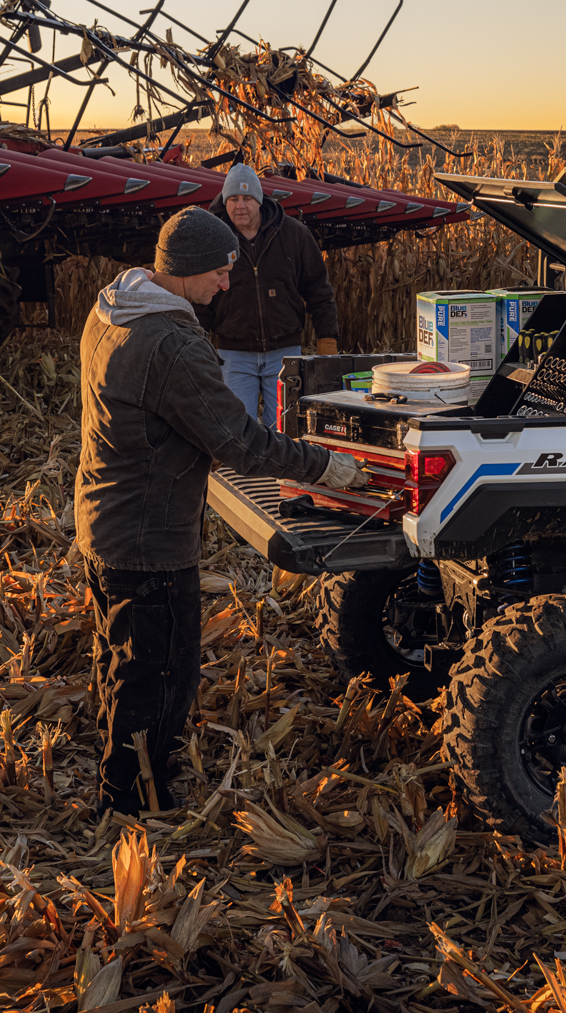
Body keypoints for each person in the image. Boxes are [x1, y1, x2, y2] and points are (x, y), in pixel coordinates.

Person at [74, 206, 364, 814]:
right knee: (160, 680)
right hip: (150, 540)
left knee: (118, 660)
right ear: (182, 271)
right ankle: (133, 806)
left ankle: (120, 780)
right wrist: (324, 465)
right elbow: (238, 440)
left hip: (103, 523)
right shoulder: (171, 344)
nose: (227, 284)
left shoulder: (111, 309)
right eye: (219, 272)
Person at [197, 163, 341, 423]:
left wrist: (327, 338)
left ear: (260, 200)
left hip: (284, 352)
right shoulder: (211, 240)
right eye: (233, 199)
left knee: (285, 430)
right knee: (239, 430)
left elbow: (319, 289)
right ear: (225, 200)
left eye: (247, 198)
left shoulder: (293, 234)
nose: (240, 206)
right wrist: (197, 347)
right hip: (233, 354)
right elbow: (199, 302)